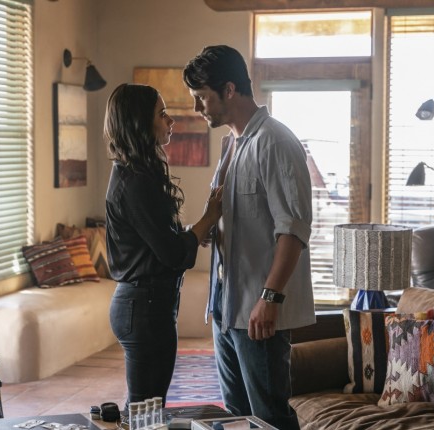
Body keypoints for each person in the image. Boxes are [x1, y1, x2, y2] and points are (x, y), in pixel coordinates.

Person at [183, 45, 315, 429]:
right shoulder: (231, 145)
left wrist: (269, 298)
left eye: (202, 97)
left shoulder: (275, 142)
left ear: (229, 90)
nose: (197, 108)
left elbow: (293, 230)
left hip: (259, 310)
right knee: (237, 417)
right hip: (226, 306)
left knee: (269, 417)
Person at [104, 83, 223, 409]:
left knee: (145, 407)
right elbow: (172, 254)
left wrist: (194, 231)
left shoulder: (134, 173)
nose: (171, 121)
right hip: (144, 309)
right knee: (146, 411)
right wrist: (208, 218)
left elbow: (155, 239)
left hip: (145, 306)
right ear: (140, 123)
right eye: (162, 114)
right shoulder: (135, 181)